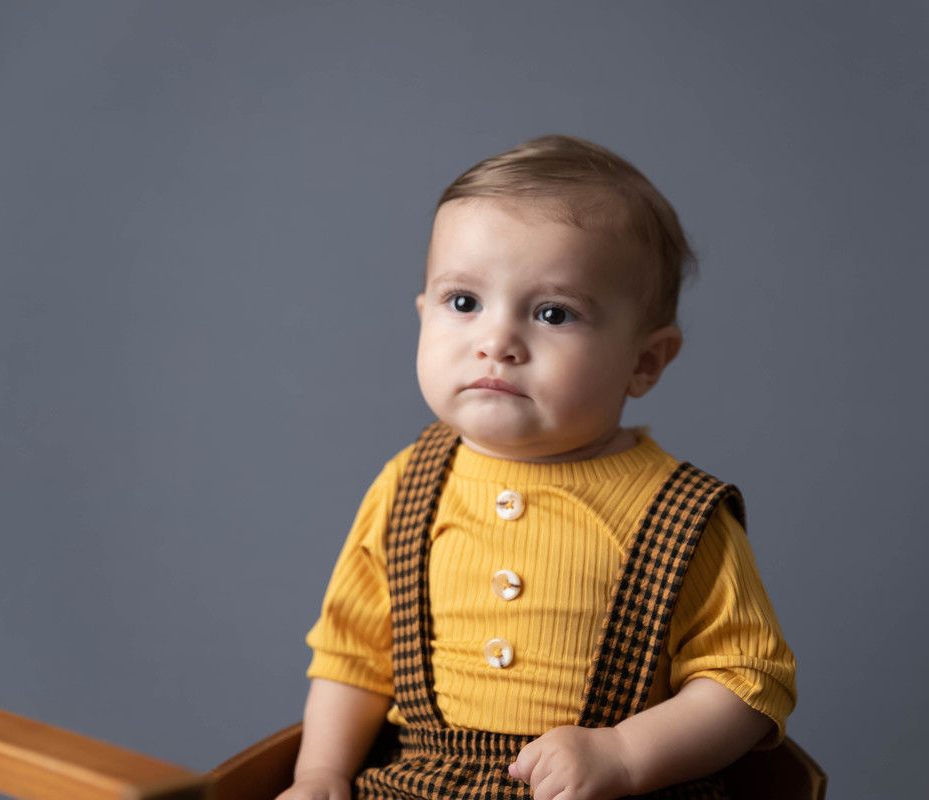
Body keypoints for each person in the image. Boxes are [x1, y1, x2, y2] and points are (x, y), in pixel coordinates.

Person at [277, 135, 796, 800]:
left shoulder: (680, 515)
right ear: (423, 315)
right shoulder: (406, 486)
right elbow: (352, 656)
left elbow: (749, 679)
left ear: (644, 362)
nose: (496, 342)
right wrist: (320, 773)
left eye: (554, 313)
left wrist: (625, 754)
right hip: (422, 783)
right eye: (464, 302)